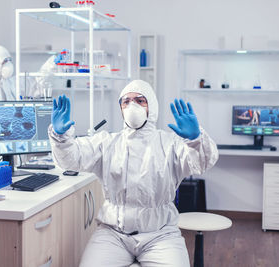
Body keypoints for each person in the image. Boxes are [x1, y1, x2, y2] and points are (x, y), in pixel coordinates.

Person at [48, 80, 219, 266]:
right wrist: (61, 138)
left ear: (151, 107)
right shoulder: (107, 142)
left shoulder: (170, 143)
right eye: (126, 102)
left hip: (161, 234)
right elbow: (72, 159)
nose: (132, 106)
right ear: (120, 109)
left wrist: (195, 139)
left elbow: (202, 163)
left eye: (140, 100)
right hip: (113, 234)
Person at [0, 45, 56, 152]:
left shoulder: (12, 84)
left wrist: (51, 64)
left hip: (13, 149)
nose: (9, 64)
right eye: (5, 61)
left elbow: (38, 82)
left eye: (10, 60)